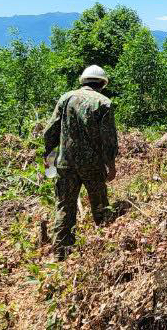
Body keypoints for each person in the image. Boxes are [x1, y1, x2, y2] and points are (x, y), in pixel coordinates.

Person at [42, 65, 119, 258]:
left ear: (83, 81)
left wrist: (49, 157)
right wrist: (111, 165)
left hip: (65, 163)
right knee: (100, 207)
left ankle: (61, 255)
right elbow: (108, 140)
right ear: (102, 83)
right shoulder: (104, 103)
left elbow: (50, 131)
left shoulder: (66, 98)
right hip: (92, 165)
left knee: (64, 207)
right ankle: (104, 251)